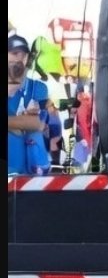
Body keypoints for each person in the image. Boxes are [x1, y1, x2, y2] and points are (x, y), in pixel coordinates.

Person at [7, 32, 51, 175]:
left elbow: (37, 123)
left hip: (29, 175)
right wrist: (19, 123)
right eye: (12, 54)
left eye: (20, 54)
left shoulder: (37, 88)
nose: (16, 59)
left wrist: (21, 124)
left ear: (26, 58)